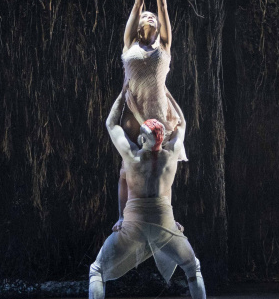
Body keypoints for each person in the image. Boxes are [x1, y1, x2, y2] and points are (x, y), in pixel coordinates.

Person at [88, 88, 206, 299]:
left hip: (134, 224)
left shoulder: (132, 157)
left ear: (142, 139)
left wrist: (123, 93)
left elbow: (111, 124)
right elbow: (182, 124)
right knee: (192, 267)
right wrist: (166, 93)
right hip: (164, 223)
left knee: (97, 270)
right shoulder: (171, 155)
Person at [114, 0, 186, 233]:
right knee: (127, 170)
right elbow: (136, 5)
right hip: (133, 109)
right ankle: (123, 218)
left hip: (158, 111)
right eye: (147, 16)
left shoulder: (164, 46)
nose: (150, 17)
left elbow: (163, 8)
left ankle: (167, 217)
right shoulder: (130, 44)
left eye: (152, 17)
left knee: (163, 168)